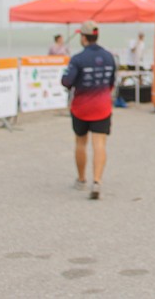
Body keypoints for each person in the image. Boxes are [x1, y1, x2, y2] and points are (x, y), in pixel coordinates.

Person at [61, 20, 116, 200]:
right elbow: (111, 83)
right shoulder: (109, 56)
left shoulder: (77, 59)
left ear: (83, 38)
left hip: (81, 108)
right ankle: (97, 181)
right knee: (99, 143)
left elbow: (67, 82)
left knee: (80, 143)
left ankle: (82, 179)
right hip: (102, 106)